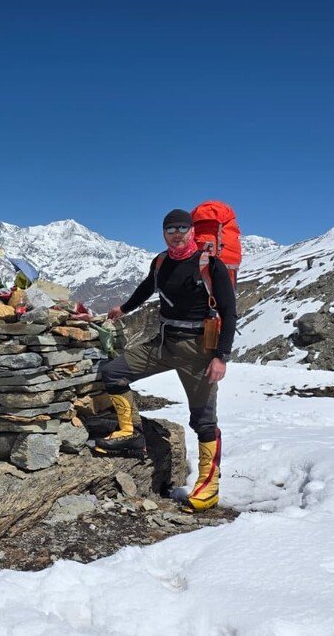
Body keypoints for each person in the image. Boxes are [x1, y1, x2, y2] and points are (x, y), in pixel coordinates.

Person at [96, 208, 237, 512]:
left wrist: (221, 357)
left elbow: (229, 312)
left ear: (192, 231)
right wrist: (124, 308)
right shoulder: (160, 262)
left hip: (198, 350)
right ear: (163, 233)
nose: (176, 233)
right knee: (113, 372)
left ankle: (208, 487)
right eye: (170, 228)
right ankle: (130, 434)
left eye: (181, 228)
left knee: (203, 420)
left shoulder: (210, 265)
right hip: (163, 343)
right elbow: (148, 287)